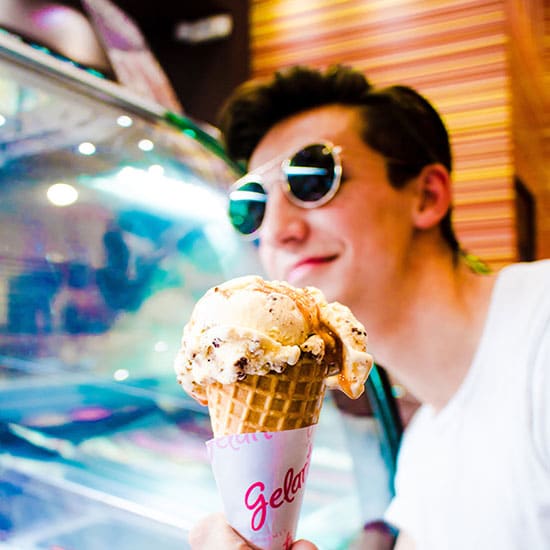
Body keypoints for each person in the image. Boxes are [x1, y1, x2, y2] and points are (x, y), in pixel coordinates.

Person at [189, 65, 550, 549]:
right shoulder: (423, 458)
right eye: (250, 205)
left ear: (427, 195)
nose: (276, 230)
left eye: (313, 179)